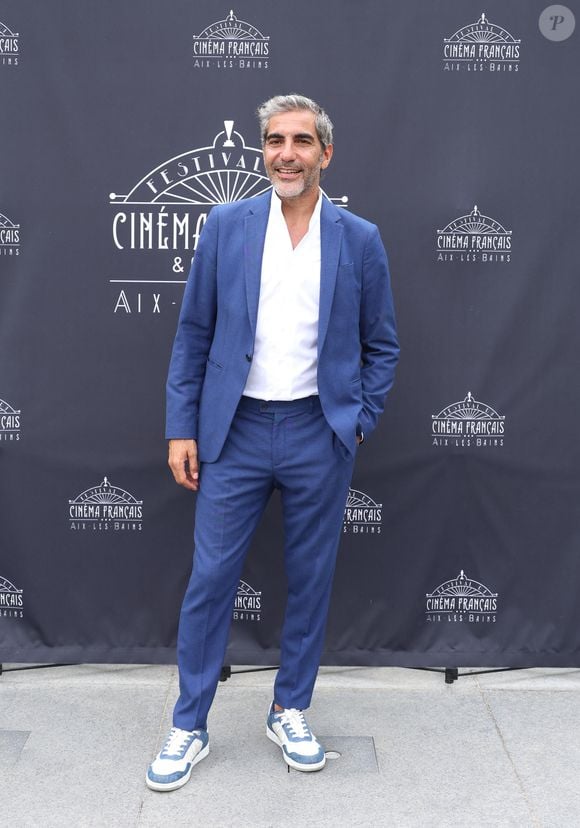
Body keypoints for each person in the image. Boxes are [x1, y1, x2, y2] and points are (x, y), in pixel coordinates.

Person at [146, 94, 399, 791]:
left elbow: (383, 345)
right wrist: (180, 426)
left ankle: (290, 707)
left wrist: (356, 419)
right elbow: (193, 334)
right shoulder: (226, 225)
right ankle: (189, 723)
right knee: (209, 582)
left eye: (300, 141)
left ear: (325, 152)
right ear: (262, 149)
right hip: (237, 430)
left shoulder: (359, 238)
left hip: (320, 430)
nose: (285, 153)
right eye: (274, 140)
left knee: (311, 581)